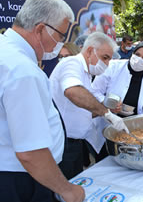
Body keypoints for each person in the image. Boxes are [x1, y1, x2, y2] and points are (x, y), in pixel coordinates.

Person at [0, 0, 85, 202]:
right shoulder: (22, 70)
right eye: (60, 36)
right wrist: (66, 190)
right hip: (20, 181)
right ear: (40, 29)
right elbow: (31, 152)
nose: (60, 44)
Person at [49, 32, 129, 180]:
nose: (106, 64)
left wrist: (108, 110)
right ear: (90, 50)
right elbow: (73, 91)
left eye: (109, 60)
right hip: (64, 143)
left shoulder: (85, 73)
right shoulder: (71, 63)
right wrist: (107, 113)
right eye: (105, 58)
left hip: (75, 142)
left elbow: (84, 108)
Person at [92, 40, 143, 116]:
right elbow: (95, 91)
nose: (138, 59)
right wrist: (108, 104)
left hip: (134, 123)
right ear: (132, 53)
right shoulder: (112, 67)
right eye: (137, 54)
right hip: (107, 118)